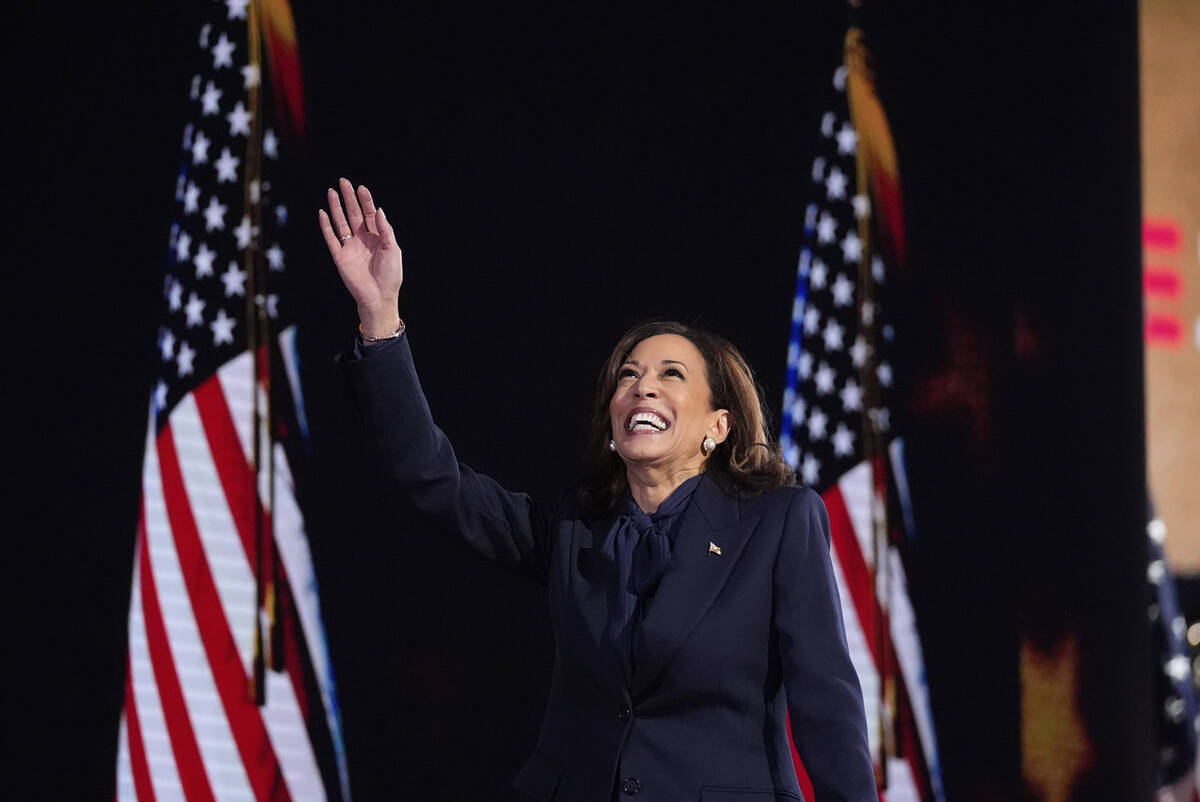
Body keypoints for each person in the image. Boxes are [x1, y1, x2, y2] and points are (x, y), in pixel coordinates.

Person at [319, 178, 878, 801]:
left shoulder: (777, 524)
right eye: (629, 376)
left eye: (672, 374)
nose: (642, 388)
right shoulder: (574, 528)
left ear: (718, 426)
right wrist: (380, 316)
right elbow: (430, 475)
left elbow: (827, 700)